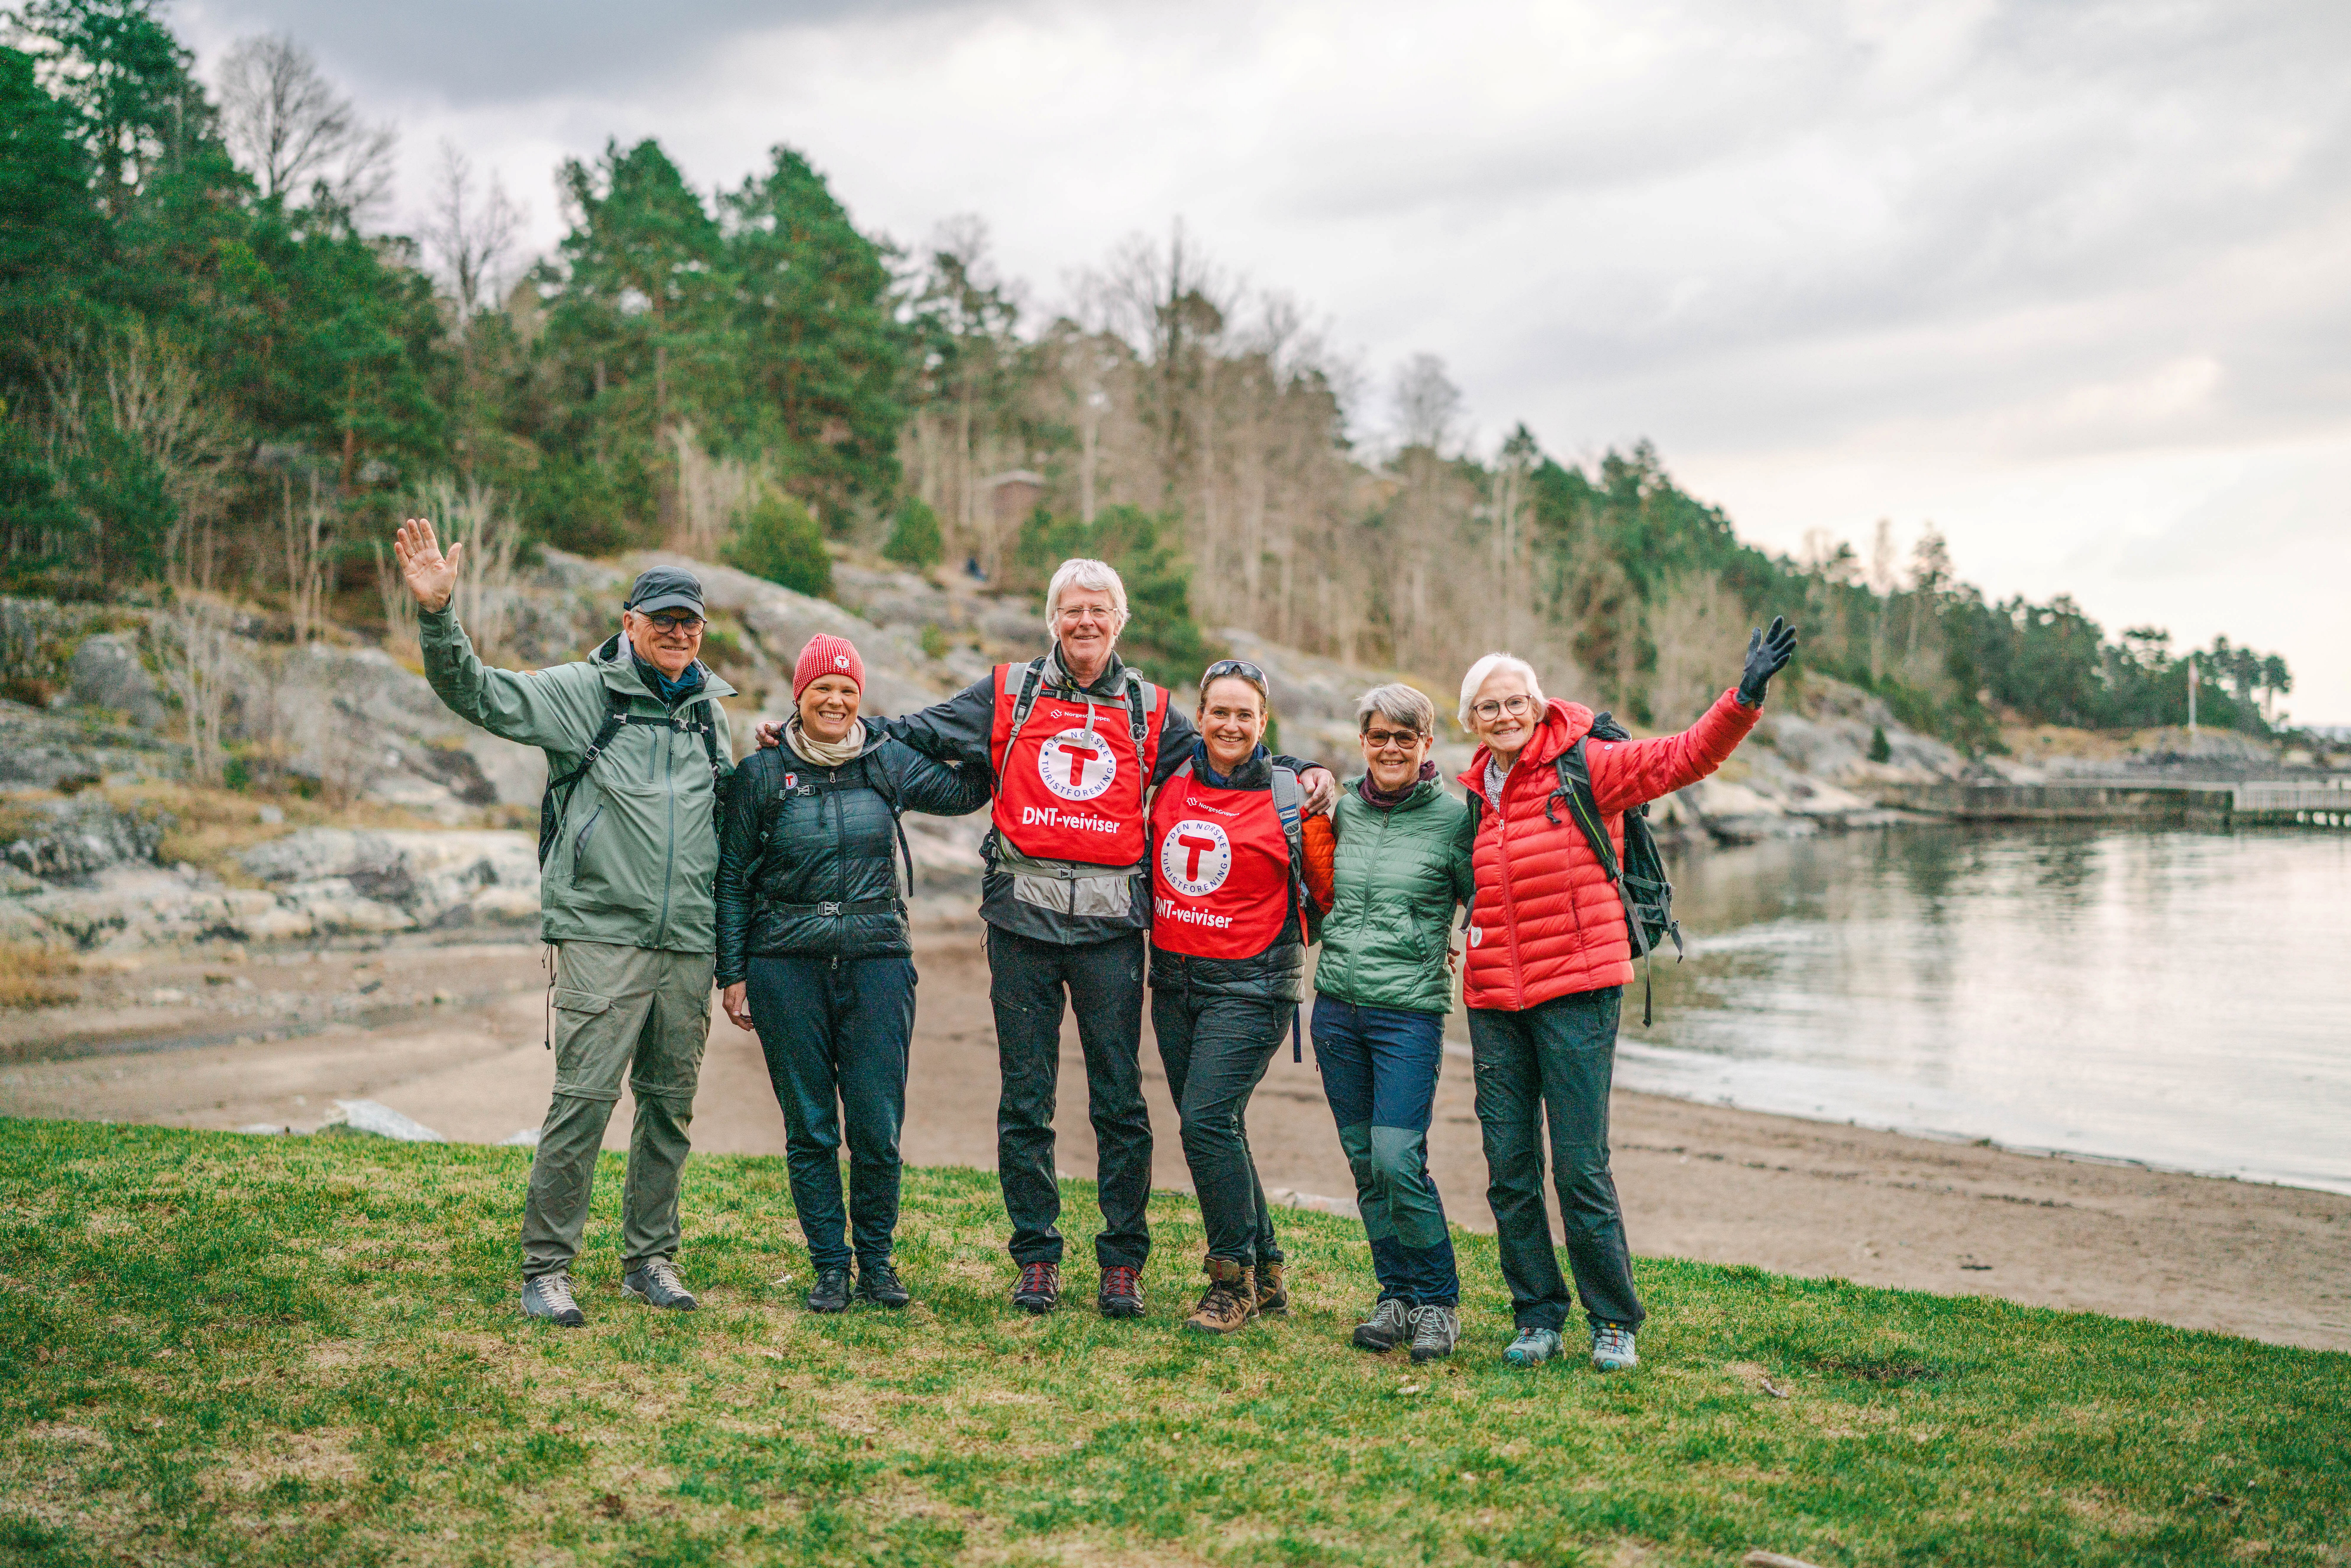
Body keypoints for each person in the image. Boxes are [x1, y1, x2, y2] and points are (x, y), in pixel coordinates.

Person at [759, 560, 1333, 1320]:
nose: (1085, 622)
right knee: (1025, 1101)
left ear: (1118, 621)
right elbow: (915, 731)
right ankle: (1037, 1257)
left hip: (1111, 937)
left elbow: (1230, 755)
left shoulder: (1151, 710)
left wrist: (1304, 769)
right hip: (1020, 928)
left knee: (1119, 1104)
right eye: (1072, 610)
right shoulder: (1008, 693)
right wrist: (805, 731)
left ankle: (1122, 1262)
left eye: (1099, 610)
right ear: (1052, 619)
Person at [394, 519, 736, 1328]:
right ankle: (546, 1269)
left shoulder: (706, 716)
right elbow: (475, 691)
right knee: (582, 1103)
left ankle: (650, 1259)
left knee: (668, 1109)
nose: (677, 633)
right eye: (662, 620)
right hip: (602, 938)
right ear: (629, 625)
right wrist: (440, 615)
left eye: (689, 621)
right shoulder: (580, 696)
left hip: (687, 944)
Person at [1460, 619, 1797, 1373]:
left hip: (1577, 990)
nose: (1505, 716)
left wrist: (1742, 698)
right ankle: (1537, 1315)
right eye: (1489, 708)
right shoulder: (1473, 796)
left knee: (1579, 1167)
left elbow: (1684, 757)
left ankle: (1613, 1320)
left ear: (1539, 707)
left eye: (1516, 702)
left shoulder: (1590, 767)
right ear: (1471, 723)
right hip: (1491, 999)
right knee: (1509, 1169)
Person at [715, 634, 990, 1313]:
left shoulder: (885, 760)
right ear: (798, 698)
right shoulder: (760, 775)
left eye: (847, 690)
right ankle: (830, 1268)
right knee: (809, 1127)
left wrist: (998, 740)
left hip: (878, 965)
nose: (835, 700)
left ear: (860, 699)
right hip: (784, 967)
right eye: (822, 689)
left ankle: (877, 1261)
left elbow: (964, 792)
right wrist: (731, 972)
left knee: (876, 1126)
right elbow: (729, 881)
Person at [1299, 683, 1473, 1364]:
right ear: (1363, 742)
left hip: (1408, 1016)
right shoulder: (1342, 809)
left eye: (1407, 737)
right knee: (1367, 1164)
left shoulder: (1454, 821)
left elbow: (1489, 895)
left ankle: (1437, 1304)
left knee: (1400, 1161)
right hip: (1337, 1008)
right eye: (1379, 737)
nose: (1392, 748)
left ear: (1427, 744)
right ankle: (1394, 1297)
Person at [1148, 659, 1321, 1334]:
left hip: (1254, 986)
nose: (1229, 724)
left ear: (1262, 722)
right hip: (1174, 982)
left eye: (1244, 714)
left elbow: (1329, 888)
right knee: (1219, 1126)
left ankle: (1231, 1281)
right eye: (1218, 711)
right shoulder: (1170, 774)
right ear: (1199, 715)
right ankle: (1269, 1267)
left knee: (1204, 1123)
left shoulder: (1288, 792)